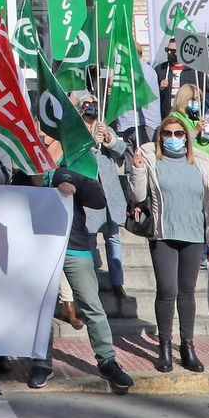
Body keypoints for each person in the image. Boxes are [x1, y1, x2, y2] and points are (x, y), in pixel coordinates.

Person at [28, 136, 137, 394]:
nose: (47, 135)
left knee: (92, 306)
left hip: (75, 244)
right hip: (39, 245)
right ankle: (41, 363)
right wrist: (32, 180)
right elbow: (13, 191)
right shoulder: (29, 160)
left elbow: (98, 198)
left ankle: (107, 360)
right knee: (41, 307)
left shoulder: (76, 160)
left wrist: (72, 182)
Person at [138, 117, 209, 373]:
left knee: (187, 292)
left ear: (187, 135)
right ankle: (164, 346)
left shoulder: (200, 162)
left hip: (194, 234)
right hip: (163, 233)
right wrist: (137, 170)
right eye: (167, 133)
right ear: (160, 135)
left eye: (178, 133)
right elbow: (138, 196)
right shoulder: (152, 159)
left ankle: (187, 347)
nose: (173, 137)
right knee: (166, 290)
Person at [77, 93, 132, 306]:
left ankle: (118, 282)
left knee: (112, 237)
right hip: (90, 190)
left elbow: (120, 152)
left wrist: (109, 139)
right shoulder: (78, 131)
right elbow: (77, 154)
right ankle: (95, 283)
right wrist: (92, 143)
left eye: (94, 103)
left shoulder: (105, 127)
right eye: (86, 104)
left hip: (109, 191)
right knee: (90, 237)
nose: (90, 107)